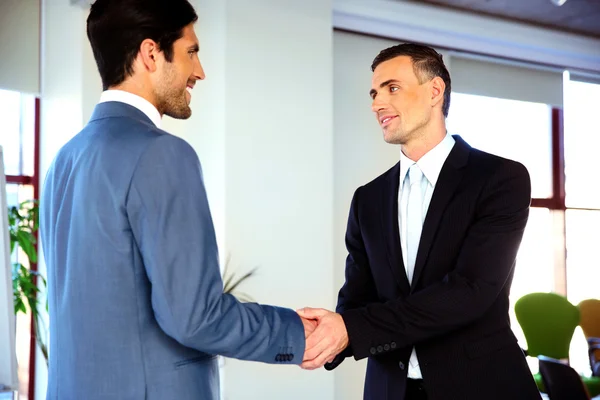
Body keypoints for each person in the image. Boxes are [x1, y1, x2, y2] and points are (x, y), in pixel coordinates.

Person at [39, 1, 314, 399]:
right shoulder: (163, 154)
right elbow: (195, 318)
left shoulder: (63, 161)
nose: (199, 71)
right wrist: (299, 334)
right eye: (192, 52)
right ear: (151, 54)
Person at [298, 43, 541, 400]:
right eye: (374, 93)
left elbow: (470, 291)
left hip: (482, 385)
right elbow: (356, 297)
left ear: (435, 91)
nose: (376, 104)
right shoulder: (367, 199)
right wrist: (325, 337)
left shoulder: (501, 178)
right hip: (389, 390)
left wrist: (351, 328)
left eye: (391, 88)